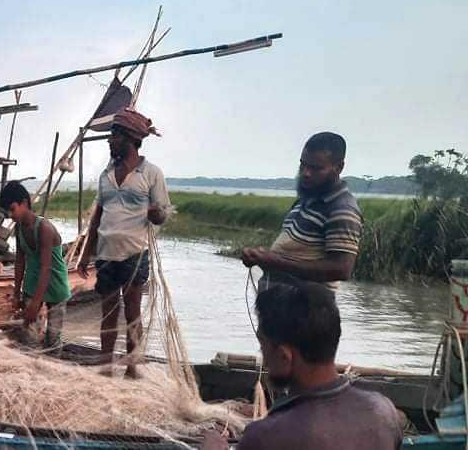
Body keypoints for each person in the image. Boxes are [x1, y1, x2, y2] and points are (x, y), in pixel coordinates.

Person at [202, 282, 404, 449]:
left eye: (263, 346)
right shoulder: (383, 411)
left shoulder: (266, 437)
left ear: (284, 356)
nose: (262, 355)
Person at [76, 109, 169, 378]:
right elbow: (98, 217)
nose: (110, 140)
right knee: (107, 312)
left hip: (134, 254)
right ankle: (106, 366)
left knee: (132, 314)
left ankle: (132, 366)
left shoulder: (151, 173)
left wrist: (155, 213)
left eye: (114, 135)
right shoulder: (106, 175)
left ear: (129, 138)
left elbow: (162, 214)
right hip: (106, 255)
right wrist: (85, 254)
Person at [241, 132, 362, 289]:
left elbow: (341, 269)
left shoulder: (342, 210)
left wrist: (277, 262)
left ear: (338, 167)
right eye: (303, 165)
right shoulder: (306, 199)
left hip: (309, 308)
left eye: (315, 168)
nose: (305, 173)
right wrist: (261, 257)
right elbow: (293, 252)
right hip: (281, 305)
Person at [0, 181, 71, 354]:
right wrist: (17, 293)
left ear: (24, 203)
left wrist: (36, 304)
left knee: (53, 337)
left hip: (55, 285)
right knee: (28, 334)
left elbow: (46, 267)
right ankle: (34, 367)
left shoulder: (44, 228)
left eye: (12, 209)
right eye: (7, 212)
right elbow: (19, 261)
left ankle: (53, 367)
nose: (10, 215)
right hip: (33, 284)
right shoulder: (19, 229)